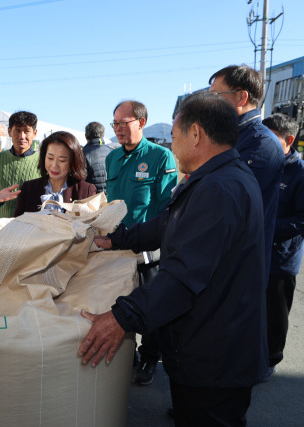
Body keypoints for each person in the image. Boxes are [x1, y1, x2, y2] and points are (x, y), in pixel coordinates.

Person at [79, 91, 268, 426]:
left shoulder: (219, 189)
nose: (172, 144)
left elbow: (183, 276)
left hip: (216, 356)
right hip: (212, 343)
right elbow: (167, 224)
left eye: (175, 136)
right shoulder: (215, 178)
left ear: (196, 134)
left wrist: (121, 317)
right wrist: (116, 239)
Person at [105, 100, 178, 386]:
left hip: (148, 248)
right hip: (117, 245)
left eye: (125, 122)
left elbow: (166, 207)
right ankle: (129, 352)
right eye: (115, 123)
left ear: (142, 122)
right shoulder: (112, 158)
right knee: (120, 301)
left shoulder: (161, 157)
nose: (119, 128)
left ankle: (149, 356)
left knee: (152, 305)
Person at [208, 65, 284, 287]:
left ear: (241, 97)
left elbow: (227, 204)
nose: (210, 103)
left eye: (216, 96)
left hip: (239, 266)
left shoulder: (261, 144)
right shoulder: (229, 138)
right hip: (219, 260)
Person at [261, 113, 304, 376]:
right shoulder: (263, 167)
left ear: (290, 140)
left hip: (280, 259)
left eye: (272, 140)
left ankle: (270, 360)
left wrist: (269, 231)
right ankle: (251, 355)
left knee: (275, 314)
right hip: (254, 253)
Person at [14, 131, 96, 216]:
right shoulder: (28, 188)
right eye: (50, 158)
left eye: (62, 160)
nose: (54, 165)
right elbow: (17, 224)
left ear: (73, 161)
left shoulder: (86, 191)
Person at [0, 111, 42, 218]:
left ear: (34, 133)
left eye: (27, 131)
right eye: (17, 131)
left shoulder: (43, 161)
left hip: (31, 226)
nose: (22, 136)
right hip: (0, 225)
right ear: (9, 132)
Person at [82, 121, 112, 194]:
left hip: (92, 199)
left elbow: (81, 182)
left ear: (86, 135)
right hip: (111, 199)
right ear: (103, 134)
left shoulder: (82, 154)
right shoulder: (112, 151)